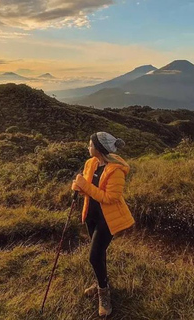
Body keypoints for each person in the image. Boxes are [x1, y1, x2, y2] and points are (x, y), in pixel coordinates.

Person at [71, 131, 135, 317]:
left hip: (107, 220)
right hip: (91, 215)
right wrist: (79, 187)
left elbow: (110, 198)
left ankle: (104, 293)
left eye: (90, 145)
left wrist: (86, 185)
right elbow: (88, 189)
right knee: (99, 255)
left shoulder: (116, 170)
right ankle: (101, 281)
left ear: (98, 149)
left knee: (94, 256)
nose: (88, 147)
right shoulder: (90, 163)